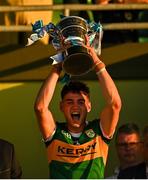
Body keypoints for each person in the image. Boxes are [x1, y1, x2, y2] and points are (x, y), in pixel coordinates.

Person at [34, 37, 122, 178]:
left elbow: (115, 104)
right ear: (61, 106)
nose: (75, 106)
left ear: (89, 106)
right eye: (69, 102)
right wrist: (57, 67)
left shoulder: (99, 130)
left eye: (81, 102)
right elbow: (40, 107)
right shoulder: (55, 132)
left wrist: (96, 62)